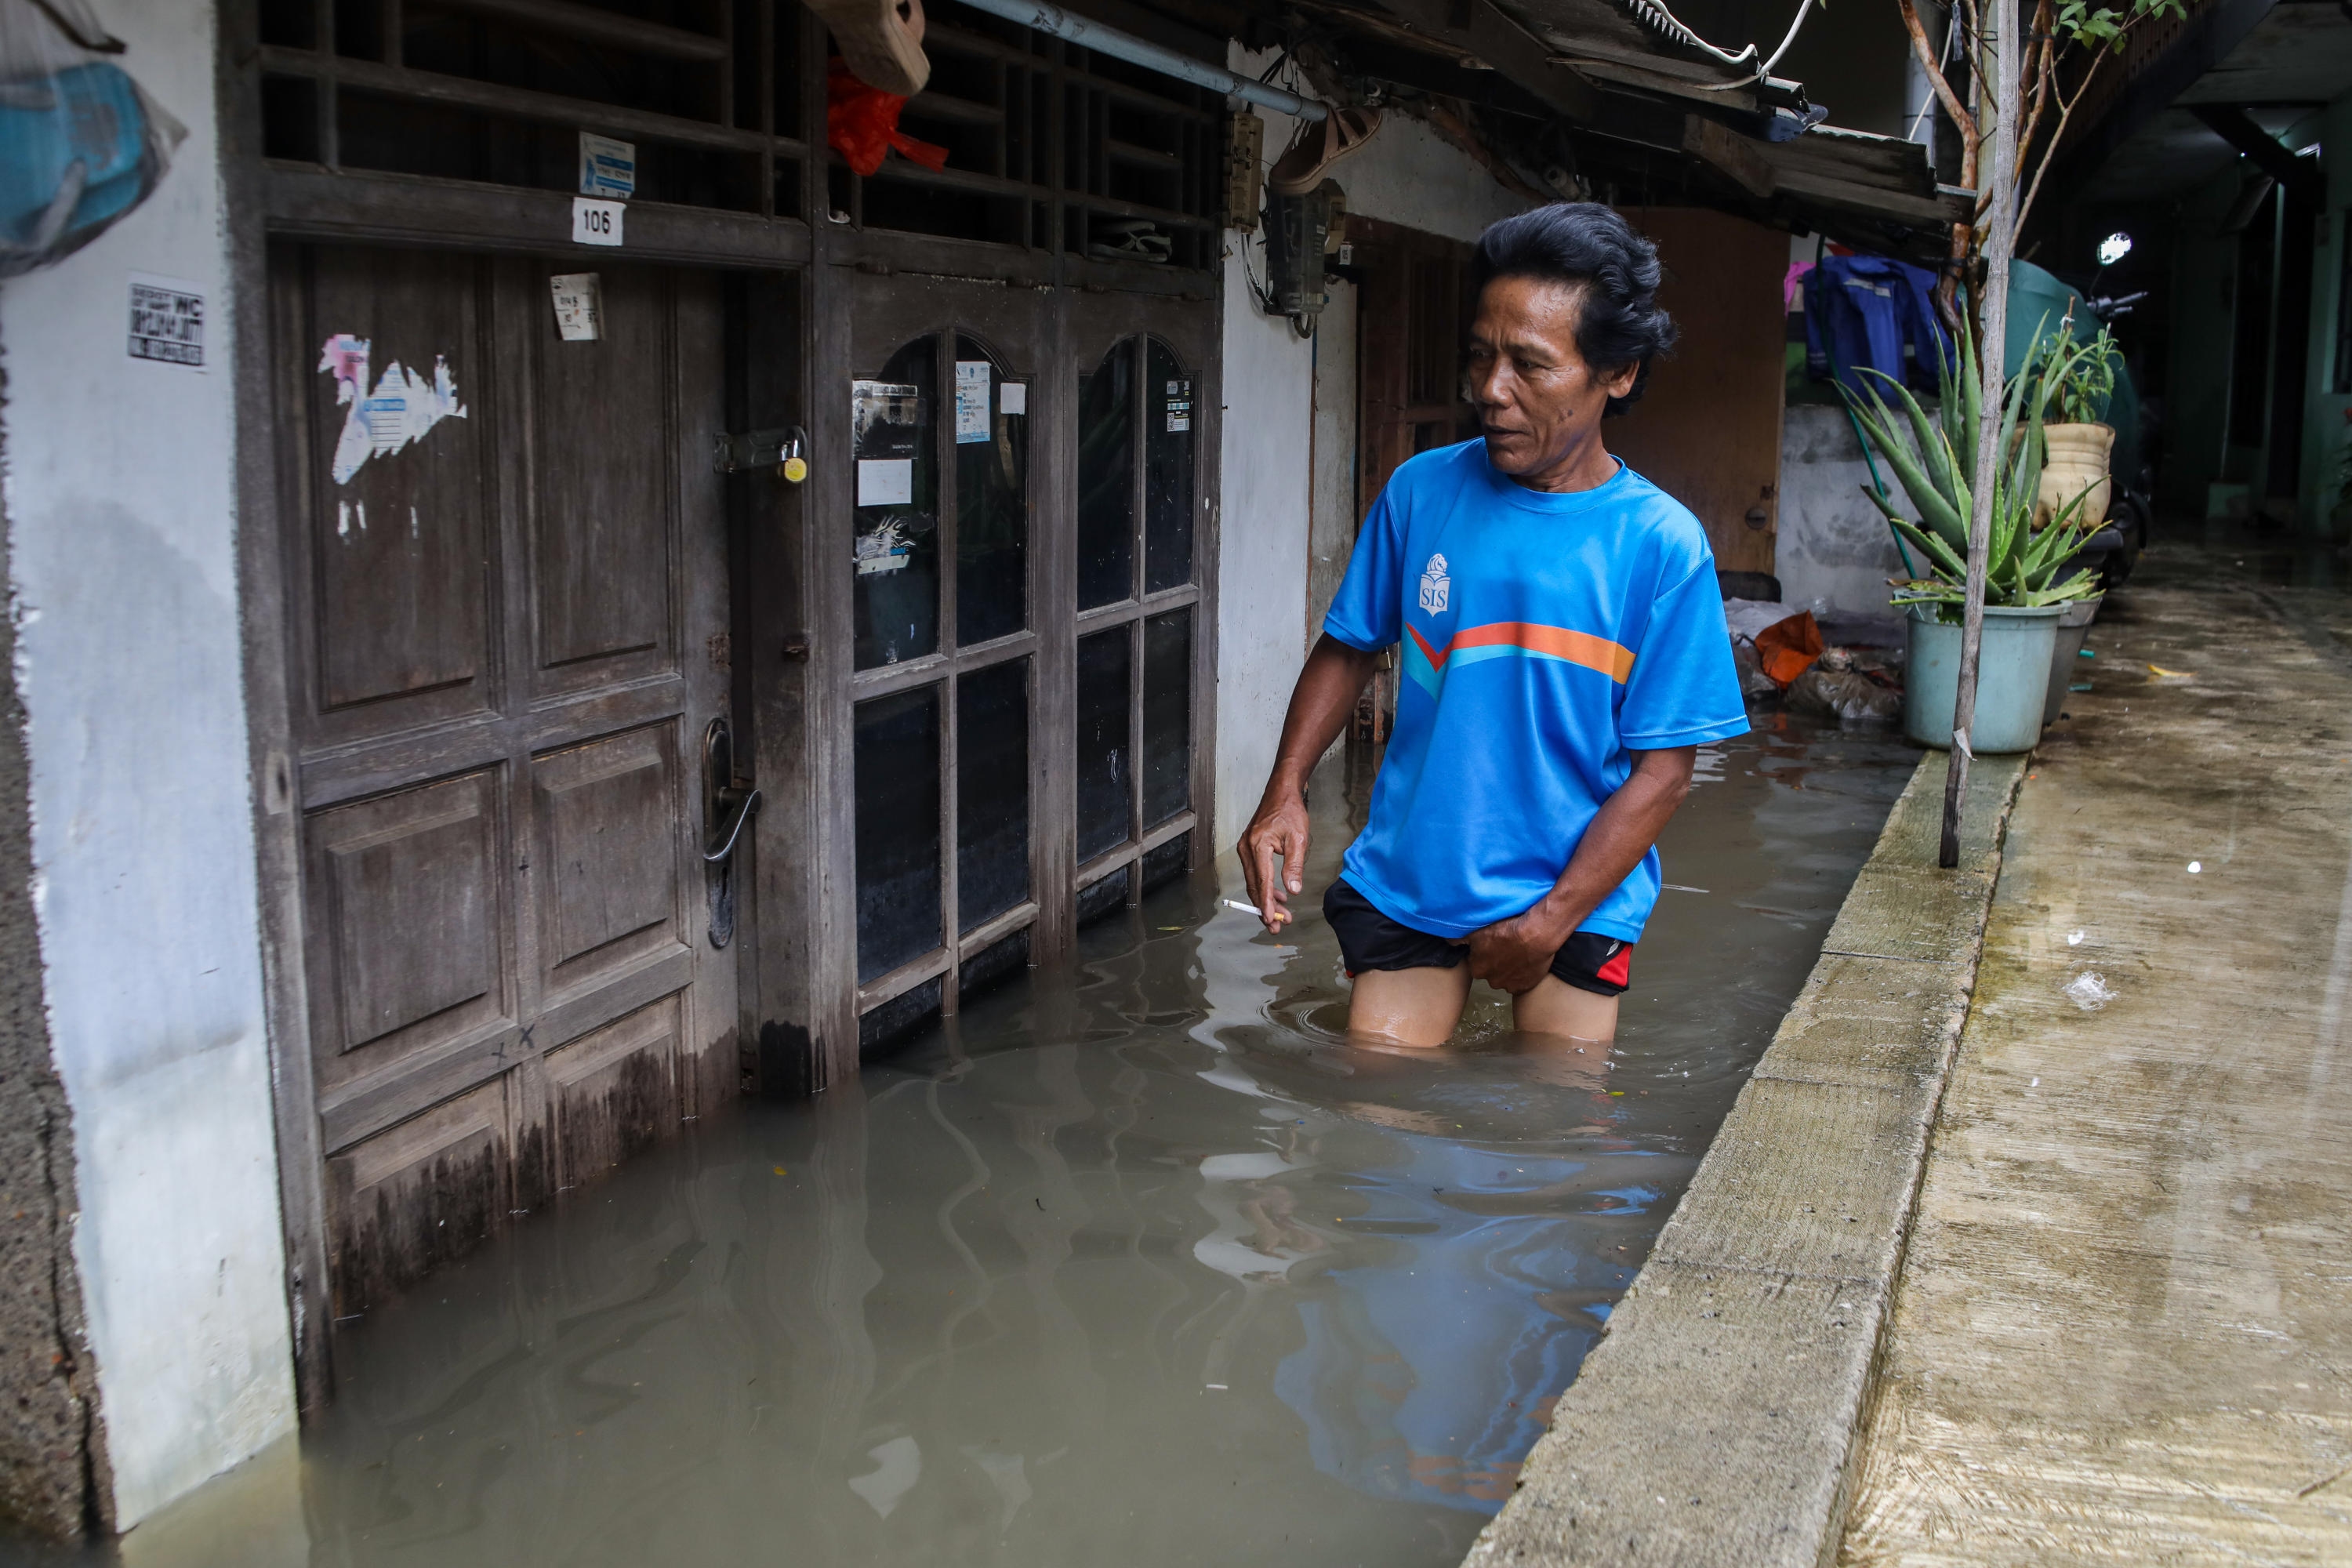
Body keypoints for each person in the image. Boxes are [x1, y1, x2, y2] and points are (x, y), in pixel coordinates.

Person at [1236, 202, 1748, 1049]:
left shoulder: (1661, 545)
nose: (1490, 390)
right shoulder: (1420, 491)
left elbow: (1664, 772)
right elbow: (1351, 645)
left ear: (1617, 373)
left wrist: (1551, 919)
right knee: (1377, 1103)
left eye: (1530, 366)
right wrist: (1283, 789)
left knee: (1553, 1128)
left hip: (1578, 889)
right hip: (1417, 874)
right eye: (1481, 355)